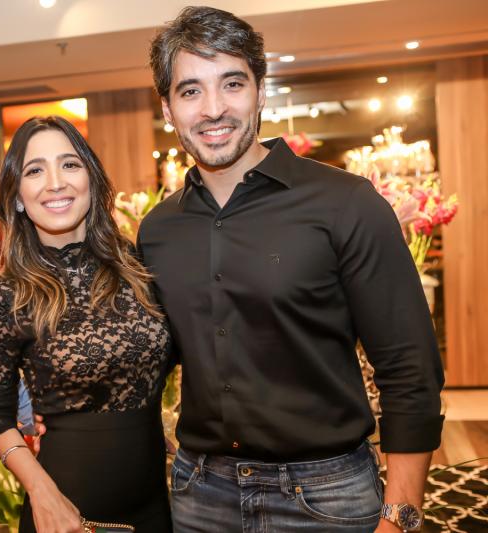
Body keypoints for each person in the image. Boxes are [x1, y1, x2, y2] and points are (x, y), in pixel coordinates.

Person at [137, 7, 444, 533]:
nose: (214, 108)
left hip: (328, 495)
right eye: (190, 91)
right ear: (167, 108)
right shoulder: (158, 229)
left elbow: (409, 368)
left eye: (232, 83)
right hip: (200, 493)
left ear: (260, 90)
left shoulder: (345, 203)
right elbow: (151, 358)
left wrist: (401, 517)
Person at [0, 115, 173, 533]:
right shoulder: (8, 293)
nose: (55, 183)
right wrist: (41, 492)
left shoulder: (136, 267)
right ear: (17, 196)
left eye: (69, 164)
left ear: (91, 179)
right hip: (66, 513)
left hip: (156, 508)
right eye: (35, 171)